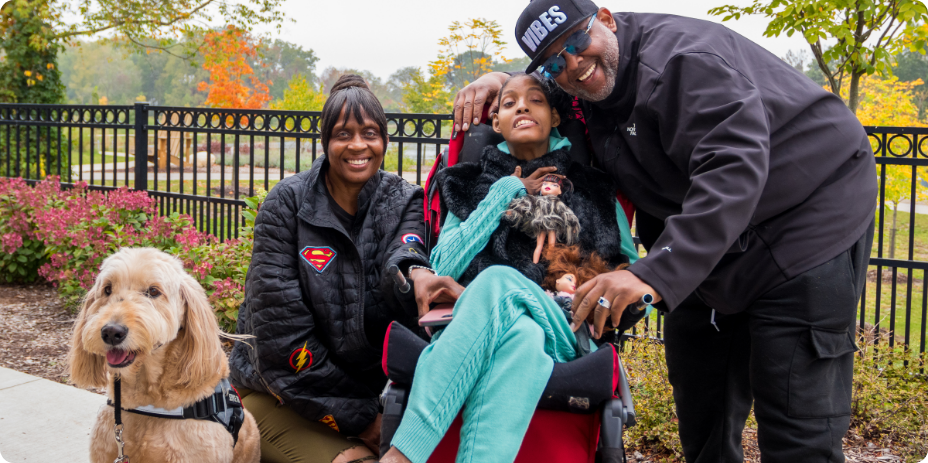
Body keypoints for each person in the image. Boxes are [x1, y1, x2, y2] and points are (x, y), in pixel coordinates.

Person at [452, 2, 877, 462]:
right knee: (702, 410)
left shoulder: (684, 63)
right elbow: (546, 90)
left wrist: (653, 274)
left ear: (608, 20)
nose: (573, 64)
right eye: (556, 62)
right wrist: (506, 80)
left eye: (578, 42)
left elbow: (732, 167)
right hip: (702, 239)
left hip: (804, 218)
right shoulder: (582, 81)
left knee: (797, 428)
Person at [380, 72, 641, 463]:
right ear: (496, 123)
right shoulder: (464, 183)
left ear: (555, 117)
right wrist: (505, 192)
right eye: (508, 102)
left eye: (535, 100)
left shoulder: (594, 187)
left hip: (562, 324)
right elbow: (444, 266)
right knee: (520, 339)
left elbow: (630, 274)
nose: (521, 106)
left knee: (499, 279)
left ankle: (403, 453)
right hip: (473, 329)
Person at [229, 75, 459, 463]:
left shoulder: (403, 199)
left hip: (372, 398)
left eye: (370, 133)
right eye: (343, 134)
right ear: (326, 142)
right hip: (278, 391)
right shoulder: (286, 205)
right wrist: (364, 420)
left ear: (384, 141)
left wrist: (417, 274)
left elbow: (405, 253)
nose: (357, 145)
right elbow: (281, 342)